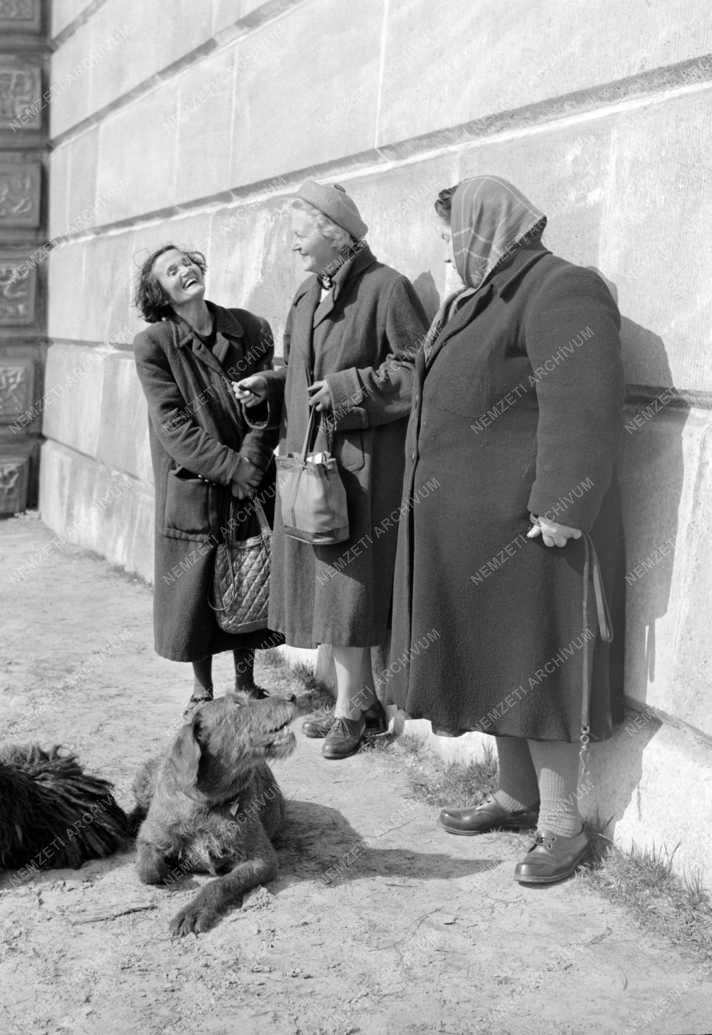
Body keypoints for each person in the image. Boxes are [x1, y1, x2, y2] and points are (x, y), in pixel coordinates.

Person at [388, 175, 625, 884]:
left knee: (536, 665)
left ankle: (561, 825)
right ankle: (516, 795)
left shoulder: (560, 287)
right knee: (499, 662)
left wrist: (561, 503)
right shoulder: (482, 295)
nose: (443, 245)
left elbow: (581, 403)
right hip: (476, 529)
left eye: (448, 229)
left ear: (482, 227)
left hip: (530, 526)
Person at [235, 181, 428, 760]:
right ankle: (359, 699)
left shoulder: (385, 288)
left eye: (298, 236)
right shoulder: (304, 295)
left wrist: (348, 389)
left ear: (332, 234)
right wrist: (266, 387)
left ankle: (353, 710)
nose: (293, 247)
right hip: (307, 465)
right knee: (329, 588)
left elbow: (417, 370)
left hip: (357, 470)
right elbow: (293, 366)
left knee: (347, 587)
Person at [133, 244, 283, 715]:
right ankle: (202, 687)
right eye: (172, 271)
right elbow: (172, 424)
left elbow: (270, 404)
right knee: (195, 587)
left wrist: (252, 465)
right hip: (194, 482)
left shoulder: (252, 328)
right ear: (160, 292)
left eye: (189, 263)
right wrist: (231, 469)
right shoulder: (155, 344)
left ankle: (246, 680)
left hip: (252, 476)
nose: (186, 272)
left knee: (251, 570)